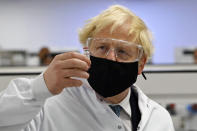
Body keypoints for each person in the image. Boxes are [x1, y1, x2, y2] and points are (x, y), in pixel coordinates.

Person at [0, 5, 174, 131]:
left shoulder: (158, 119)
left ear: (140, 65)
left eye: (122, 51)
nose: (110, 58)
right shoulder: (48, 105)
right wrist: (40, 87)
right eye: (102, 48)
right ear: (87, 52)